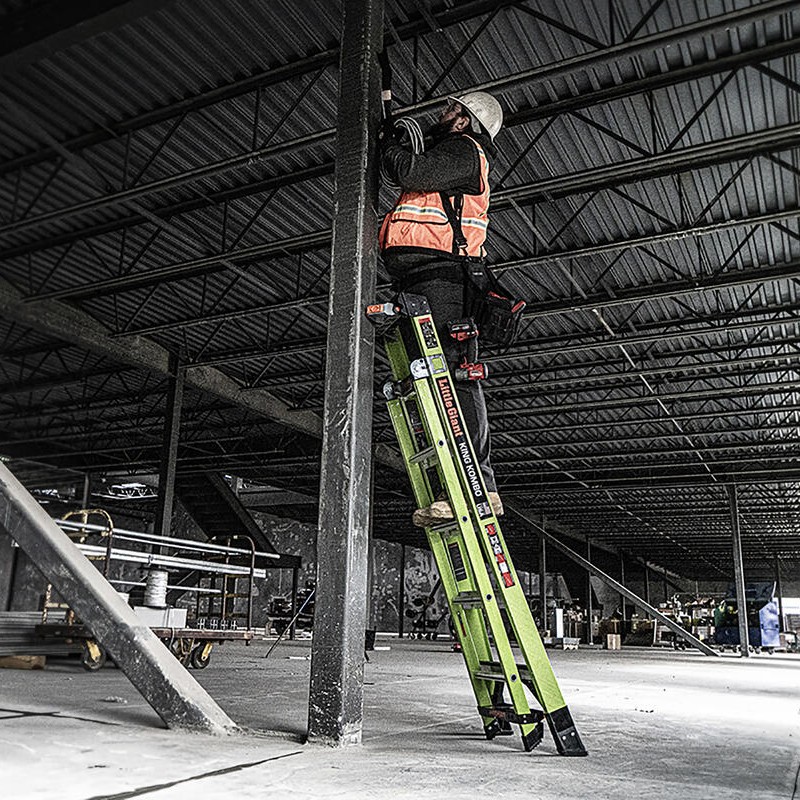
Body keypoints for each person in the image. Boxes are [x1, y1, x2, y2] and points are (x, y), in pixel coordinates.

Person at [379, 91, 504, 528]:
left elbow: (409, 170)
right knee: (432, 387)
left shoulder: (465, 151)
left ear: (465, 121)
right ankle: (451, 489)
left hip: (445, 280)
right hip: (422, 280)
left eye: (451, 109)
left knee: (455, 379)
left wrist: (388, 143)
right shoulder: (452, 153)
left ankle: (479, 488)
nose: (442, 113)